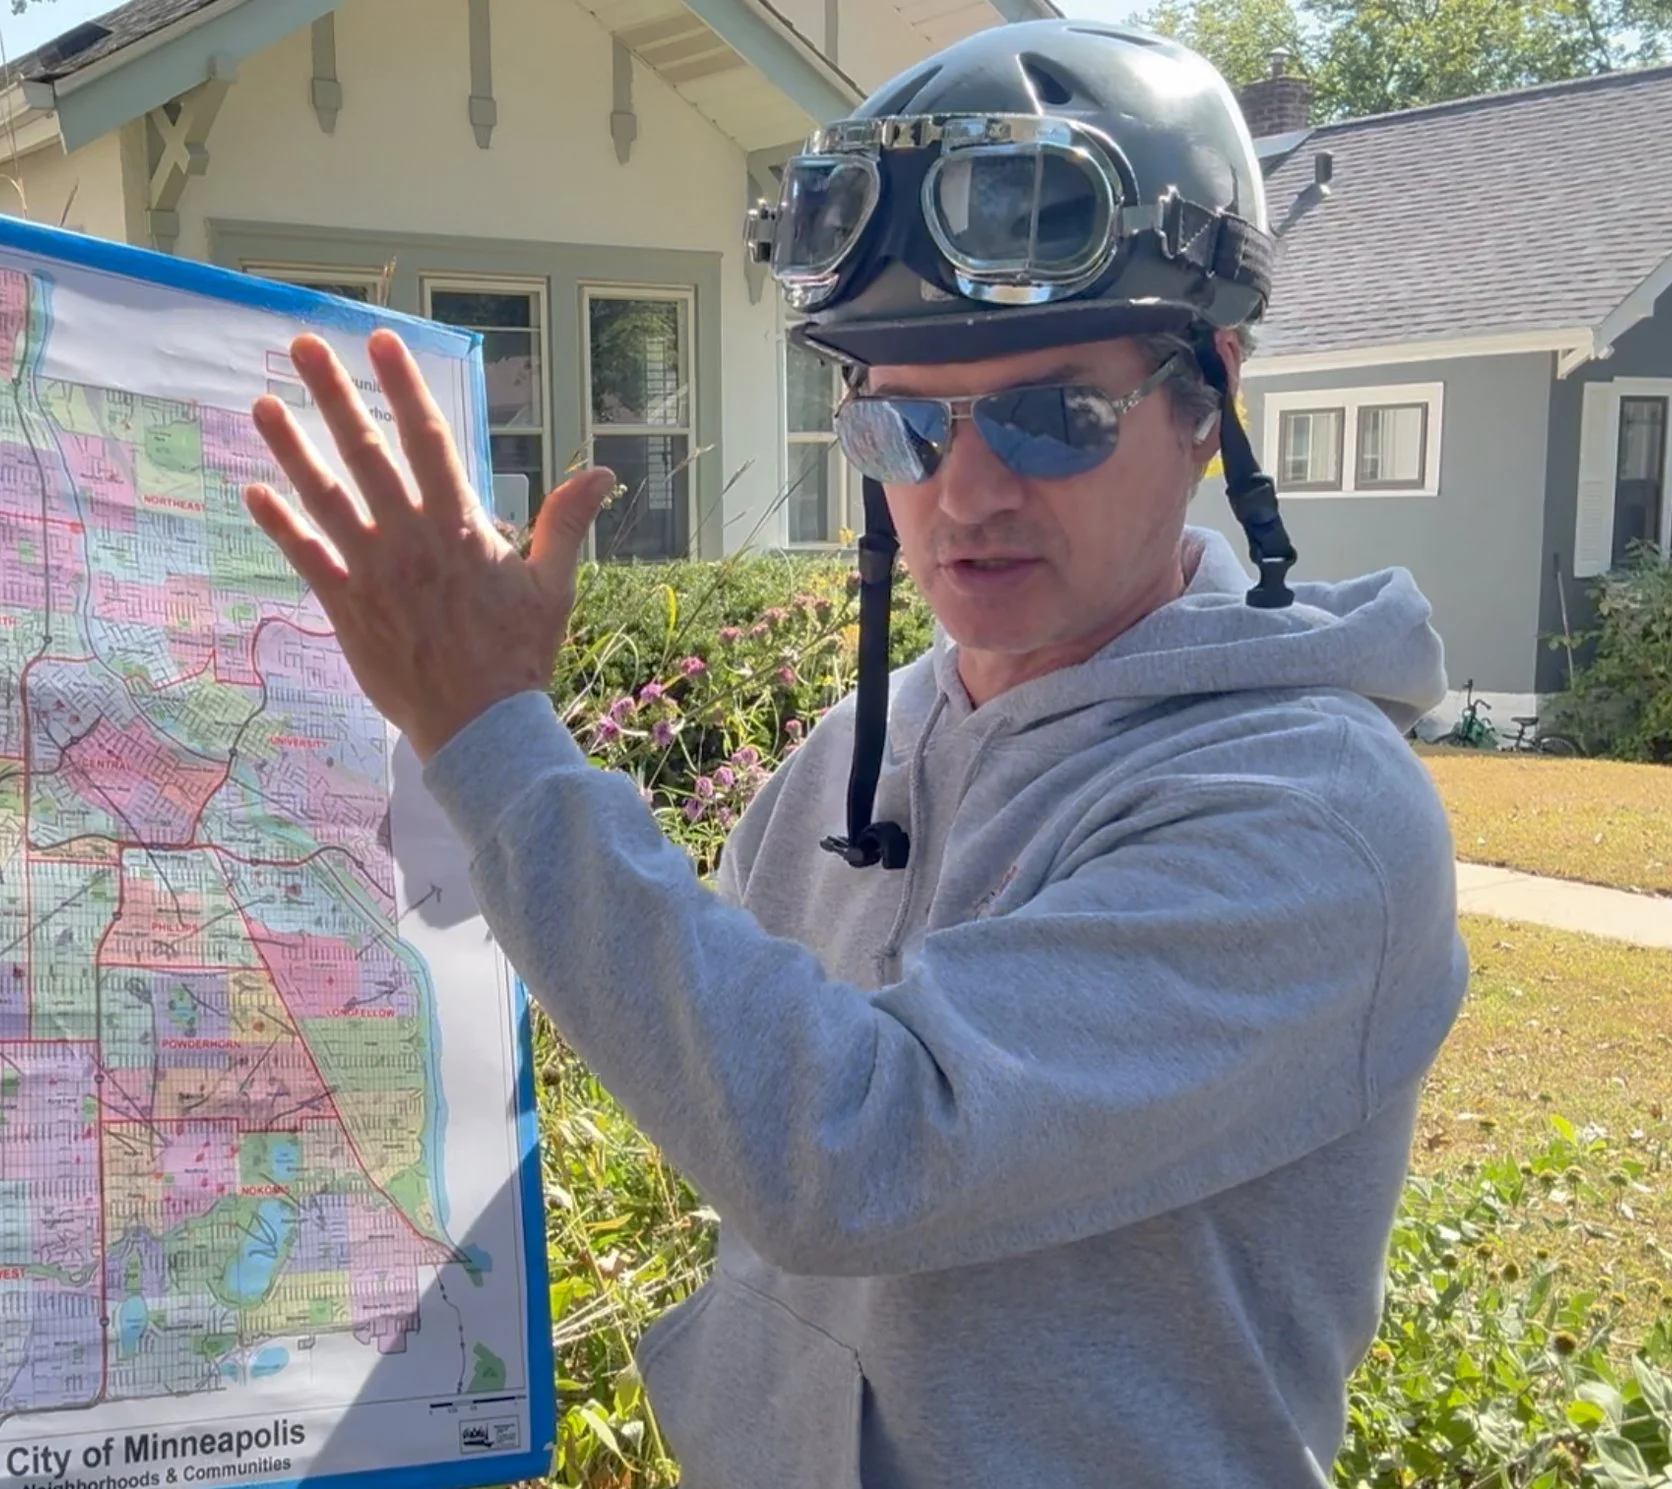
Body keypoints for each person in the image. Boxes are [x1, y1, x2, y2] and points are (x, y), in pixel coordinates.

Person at [239, 19, 1470, 1488]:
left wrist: (491, 734)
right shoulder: (853, 754)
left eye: (1053, 413)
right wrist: (429, 749)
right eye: (901, 426)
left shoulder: (1313, 818)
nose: (967, 492)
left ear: (1210, 400)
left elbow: (854, 1154)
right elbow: (696, 1024)